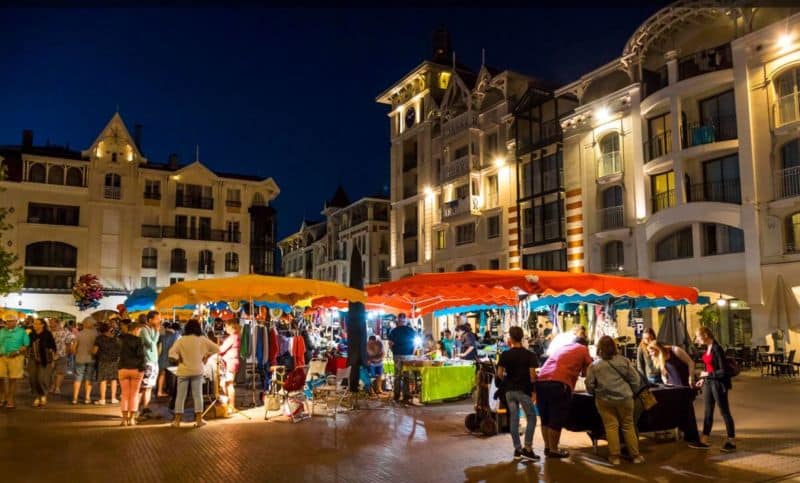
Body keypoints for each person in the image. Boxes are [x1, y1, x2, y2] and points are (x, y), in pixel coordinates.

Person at [585, 336, 644, 465]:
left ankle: (615, 457)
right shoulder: (624, 361)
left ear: (599, 348)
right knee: (628, 426)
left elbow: (589, 385)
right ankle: (635, 456)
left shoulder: (594, 366)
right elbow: (636, 379)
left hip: (604, 400)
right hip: (625, 399)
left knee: (611, 427)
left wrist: (594, 392)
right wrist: (631, 392)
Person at [536, 331, 592, 458]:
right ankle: (554, 450)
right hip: (559, 384)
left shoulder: (562, 348)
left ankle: (548, 447)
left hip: (541, 382)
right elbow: (589, 370)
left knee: (545, 418)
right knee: (556, 418)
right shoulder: (583, 349)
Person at [647, 340, 710, 450]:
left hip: (685, 383)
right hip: (675, 386)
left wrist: (691, 377)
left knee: (688, 410)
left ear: (658, 350)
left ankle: (693, 438)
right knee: (681, 410)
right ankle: (686, 435)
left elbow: (691, 363)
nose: (650, 354)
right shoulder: (660, 358)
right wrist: (665, 380)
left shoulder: (675, 350)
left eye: (652, 352)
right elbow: (663, 373)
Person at [497, 326, 539, 462]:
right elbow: (533, 376)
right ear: (522, 337)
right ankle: (528, 448)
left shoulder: (505, 355)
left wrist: (508, 380)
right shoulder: (530, 355)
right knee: (531, 417)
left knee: (514, 419)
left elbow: (499, 374)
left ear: (511, 338)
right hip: (524, 390)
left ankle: (517, 448)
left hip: (509, 391)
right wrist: (534, 391)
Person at [169, 319, 220, 428]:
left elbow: (171, 353)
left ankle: (177, 421)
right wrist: (206, 355)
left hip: (183, 371)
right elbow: (217, 348)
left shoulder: (181, 340)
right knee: (198, 395)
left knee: (180, 396)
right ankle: (199, 420)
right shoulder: (202, 339)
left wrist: (179, 358)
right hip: (197, 370)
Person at [695, 326, 736, 452]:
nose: (697, 339)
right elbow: (709, 366)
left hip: (718, 384)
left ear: (706, 335)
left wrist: (707, 375)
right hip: (709, 383)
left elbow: (723, 371)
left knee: (724, 411)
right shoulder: (708, 348)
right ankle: (704, 438)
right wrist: (703, 379)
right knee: (708, 412)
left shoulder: (717, 349)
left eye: (698, 336)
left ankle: (731, 440)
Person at [118, 321, 146, 426]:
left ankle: (124, 419)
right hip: (136, 370)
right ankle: (132, 419)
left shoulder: (120, 339)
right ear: (135, 329)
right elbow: (141, 355)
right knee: (134, 394)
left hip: (123, 368)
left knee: (124, 395)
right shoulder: (138, 340)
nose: (139, 333)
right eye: (139, 330)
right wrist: (142, 368)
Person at [388, 314, 416, 403]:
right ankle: (406, 395)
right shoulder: (411, 330)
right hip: (408, 355)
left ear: (398, 320)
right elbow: (415, 344)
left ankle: (396, 395)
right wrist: (412, 353)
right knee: (406, 376)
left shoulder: (393, 331)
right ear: (406, 320)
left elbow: (390, 344)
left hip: (397, 355)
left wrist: (394, 352)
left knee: (397, 376)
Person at [28, 319, 56, 408]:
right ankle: (37, 396)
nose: (34, 325)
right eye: (34, 323)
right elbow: (27, 345)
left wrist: (53, 360)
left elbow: (53, 347)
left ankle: (43, 395)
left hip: (44, 359)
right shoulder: (31, 334)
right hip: (32, 359)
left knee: (41, 378)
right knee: (32, 378)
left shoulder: (47, 334)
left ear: (42, 325)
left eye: (37, 323)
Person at [138, 310, 161, 419]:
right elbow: (151, 344)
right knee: (144, 387)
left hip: (154, 362)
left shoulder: (151, 329)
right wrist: (157, 332)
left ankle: (145, 408)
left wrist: (156, 331)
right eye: (157, 319)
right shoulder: (144, 330)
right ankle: (137, 409)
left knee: (149, 387)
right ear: (150, 320)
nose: (159, 321)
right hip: (147, 361)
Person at [93, 322, 121, 405]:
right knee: (114, 379)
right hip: (114, 361)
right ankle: (113, 398)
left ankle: (102, 399)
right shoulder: (116, 338)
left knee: (103, 380)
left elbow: (94, 351)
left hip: (103, 361)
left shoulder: (99, 338)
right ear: (109, 329)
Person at [72, 317, 98, 405]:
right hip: (92, 359)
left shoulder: (79, 334)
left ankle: (75, 398)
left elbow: (73, 348)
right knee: (89, 378)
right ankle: (87, 398)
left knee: (78, 378)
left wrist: (76, 353)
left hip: (80, 358)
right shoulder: (96, 335)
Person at [218, 320, 240, 415]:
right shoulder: (236, 336)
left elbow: (221, 349)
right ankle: (230, 405)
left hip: (230, 362)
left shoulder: (232, 337)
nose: (225, 328)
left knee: (229, 384)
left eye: (226, 326)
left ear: (232, 327)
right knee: (228, 384)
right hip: (232, 362)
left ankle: (231, 405)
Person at [49, 319, 75, 396]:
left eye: (52, 323)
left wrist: (68, 352)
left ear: (58, 323)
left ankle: (57, 387)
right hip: (50, 355)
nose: (50, 324)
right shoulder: (48, 332)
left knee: (60, 372)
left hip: (62, 354)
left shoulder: (65, 332)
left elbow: (71, 341)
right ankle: (53, 386)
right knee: (51, 372)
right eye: (50, 323)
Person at [157, 322, 180, 398]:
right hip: (171, 358)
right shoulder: (177, 335)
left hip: (162, 357)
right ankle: (171, 391)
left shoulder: (162, 336)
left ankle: (159, 391)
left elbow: (159, 348)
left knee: (162, 374)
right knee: (171, 375)